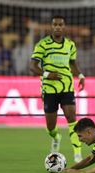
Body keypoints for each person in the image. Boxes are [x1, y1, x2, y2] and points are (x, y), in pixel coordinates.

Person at [29, 15, 85, 162]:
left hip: (66, 86)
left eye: (61, 25)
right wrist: (47, 74)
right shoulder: (43, 45)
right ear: (51, 27)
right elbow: (32, 67)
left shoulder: (70, 45)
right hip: (49, 89)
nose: (58, 27)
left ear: (64, 27)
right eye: (55, 25)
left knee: (72, 117)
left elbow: (72, 63)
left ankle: (77, 154)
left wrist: (80, 75)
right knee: (50, 126)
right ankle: (56, 137)